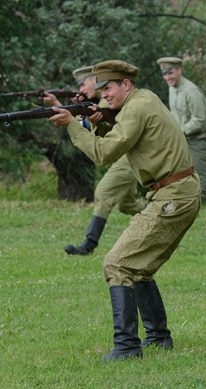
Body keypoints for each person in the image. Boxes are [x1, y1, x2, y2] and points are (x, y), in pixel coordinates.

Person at [49, 60, 201, 361]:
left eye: (109, 90)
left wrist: (72, 126)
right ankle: (158, 337)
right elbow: (127, 137)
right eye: (102, 91)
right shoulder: (145, 99)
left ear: (126, 85)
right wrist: (100, 121)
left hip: (172, 196)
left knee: (117, 264)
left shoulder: (135, 107)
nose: (105, 97)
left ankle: (127, 346)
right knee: (138, 267)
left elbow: (104, 153)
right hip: (177, 193)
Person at [52, 66, 146, 256]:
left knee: (103, 194)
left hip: (127, 157)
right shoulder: (99, 101)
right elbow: (85, 126)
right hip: (124, 156)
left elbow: (93, 128)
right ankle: (165, 212)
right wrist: (70, 111)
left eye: (83, 83)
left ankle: (88, 245)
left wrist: (65, 111)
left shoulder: (106, 102)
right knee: (126, 204)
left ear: (96, 81)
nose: (81, 89)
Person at [157, 57, 206, 233]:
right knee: (174, 180)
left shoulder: (191, 91)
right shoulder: (172, 89)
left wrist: (179, 131)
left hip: (196, 141)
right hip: (180, 142)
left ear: (179, 70)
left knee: (203, 184)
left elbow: (200, 120)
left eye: (171, 73)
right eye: (165, 74)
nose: (168, 77)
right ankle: (174, 220)